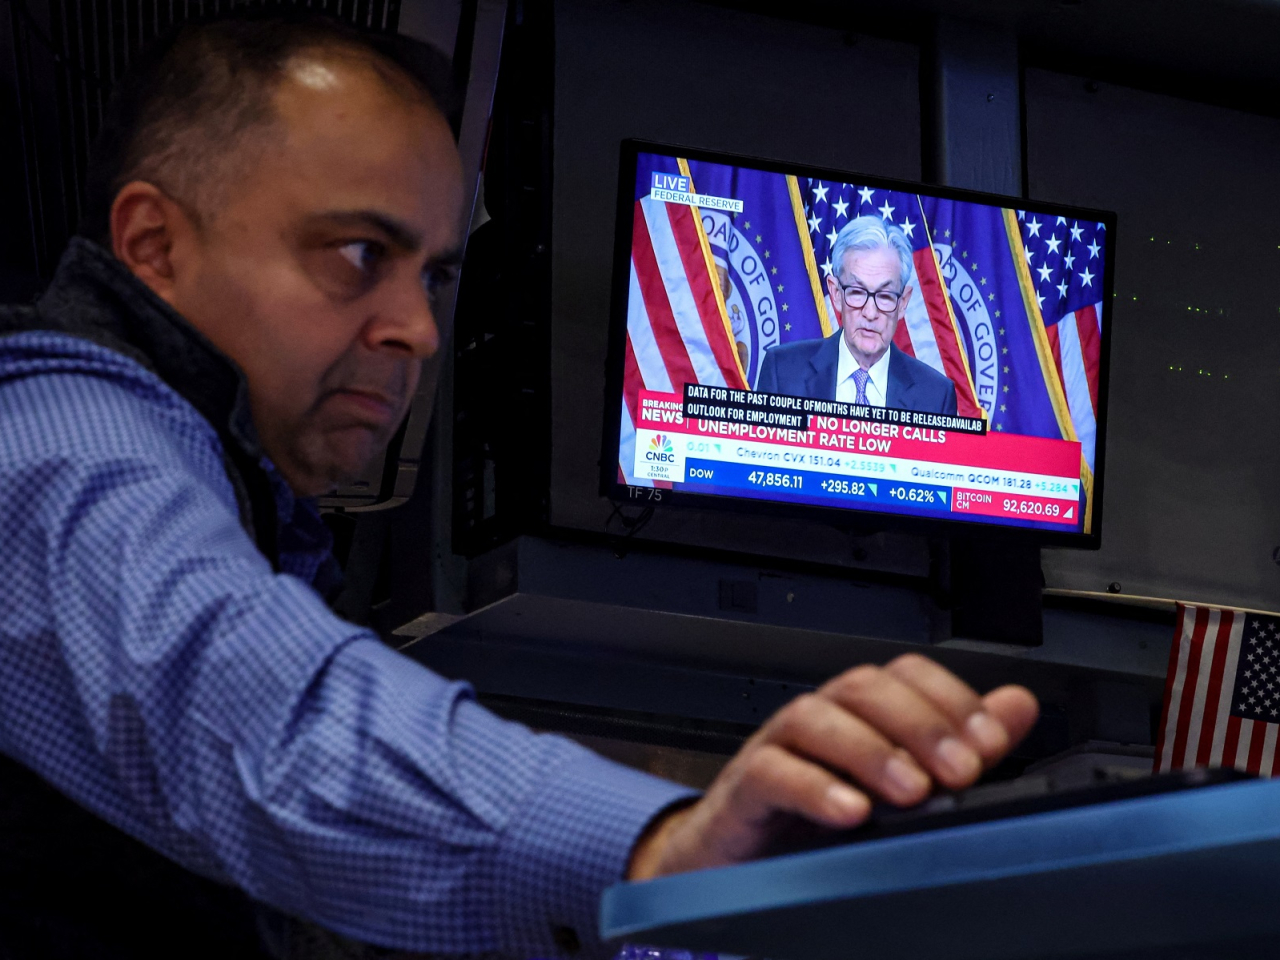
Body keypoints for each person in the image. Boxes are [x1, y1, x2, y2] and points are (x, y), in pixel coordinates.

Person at [0, 12, 1037, 959]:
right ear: (152, 244)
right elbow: (261, 715)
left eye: (434, 275)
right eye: (357, 253)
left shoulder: (239, 494)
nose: (414, 327)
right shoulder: (57, 438)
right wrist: (661, 851)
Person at [756, 216, 958, 414]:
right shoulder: (782, 373)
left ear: (903, 303)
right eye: (857, 292)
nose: (870, 313)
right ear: (836, 294)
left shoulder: (935, 397)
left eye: (885, 296)